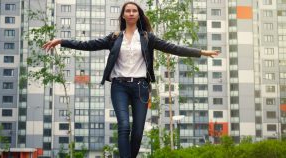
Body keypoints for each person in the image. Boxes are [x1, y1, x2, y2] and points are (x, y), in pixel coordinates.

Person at [43, 2, 219, 158]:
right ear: (123, 15)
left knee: (137, 132)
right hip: (119, 86)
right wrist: (62, 41)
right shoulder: (113, 38)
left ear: (139, 14)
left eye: (134, 10)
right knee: (124, 126)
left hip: (141, 87)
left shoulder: (147, 37)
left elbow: (173, 48)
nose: (131, 13)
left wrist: (201, 52)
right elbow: (88, 45)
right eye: (128, 10)